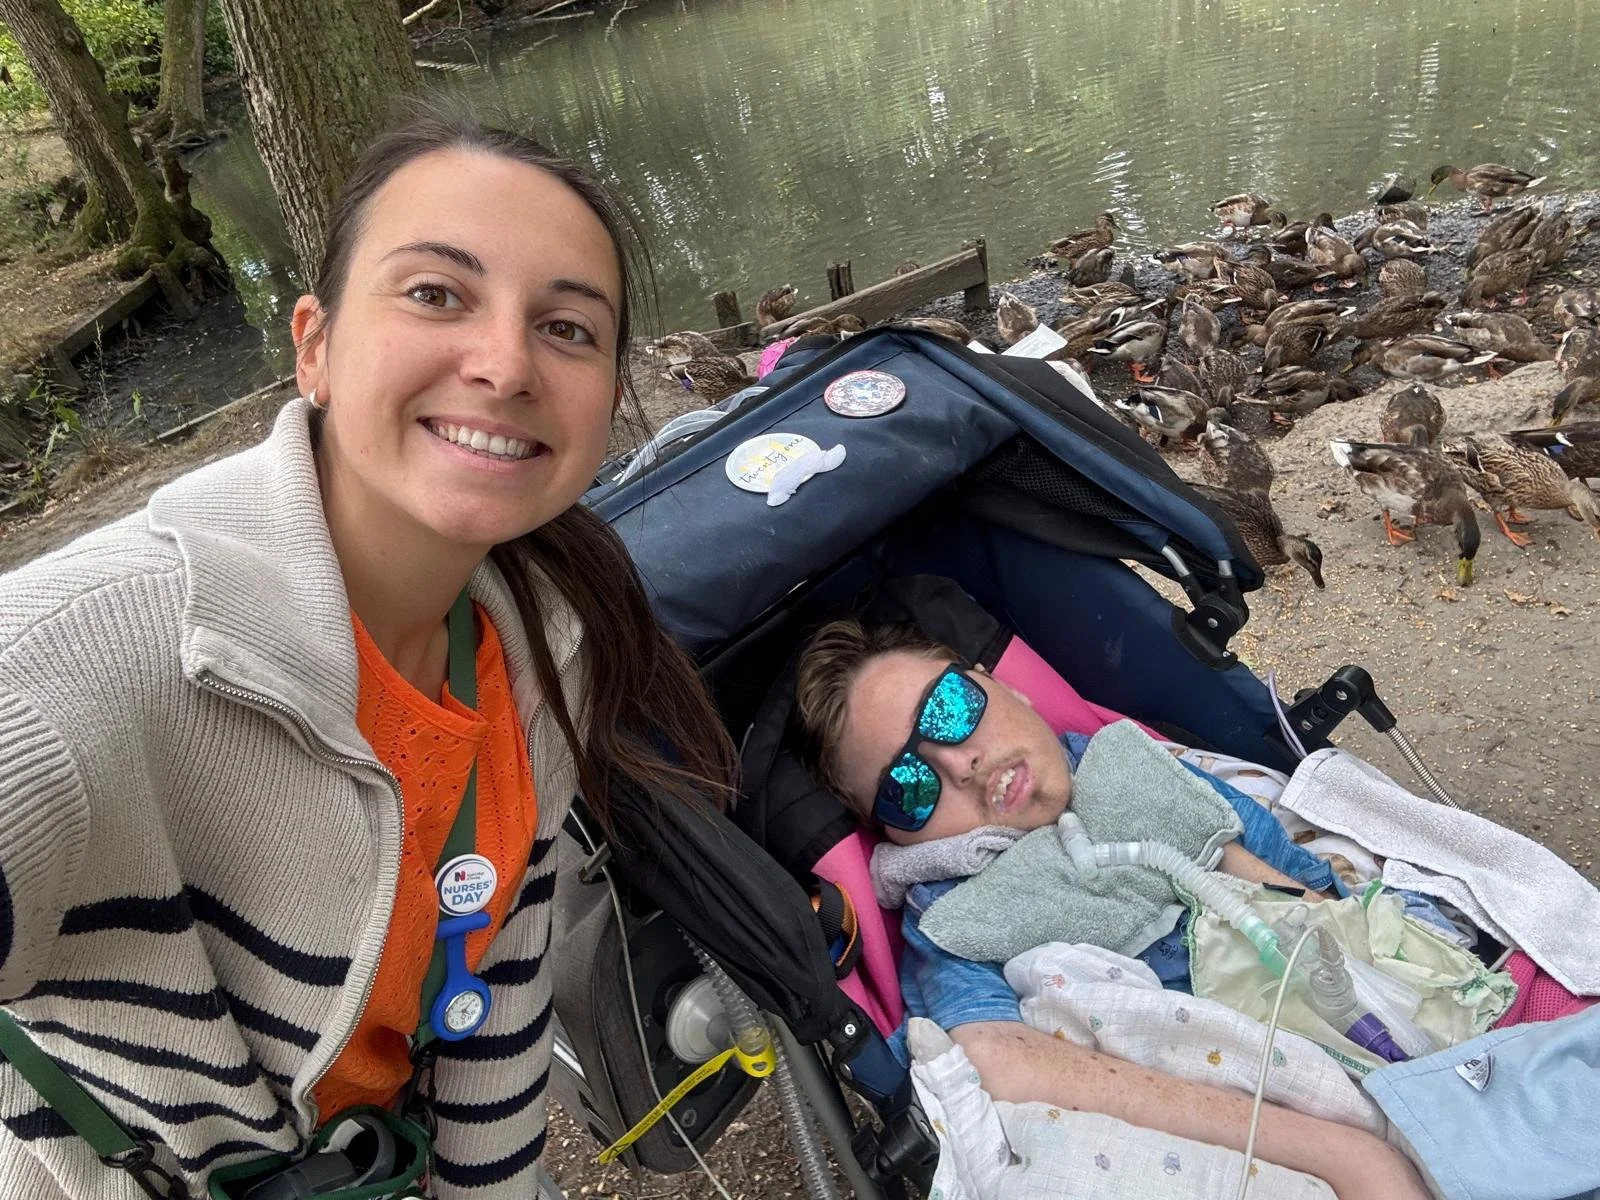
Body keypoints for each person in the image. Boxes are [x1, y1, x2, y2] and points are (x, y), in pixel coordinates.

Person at [0, 101, 736, 1199]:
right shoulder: (77, 669)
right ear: (316, 347)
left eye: (567, 327)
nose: (505, 362)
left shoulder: (542, 649)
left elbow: (489, 999)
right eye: (437, 293)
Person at [794, 619, 1432, 1200]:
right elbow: (994, 1057)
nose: (960, 765)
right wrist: (1334, 1150)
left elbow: (1310, 903)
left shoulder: (1144, 770)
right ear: (897, 836)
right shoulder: (952, 913)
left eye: (951, 710)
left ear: (998, 686)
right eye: (908, 787)